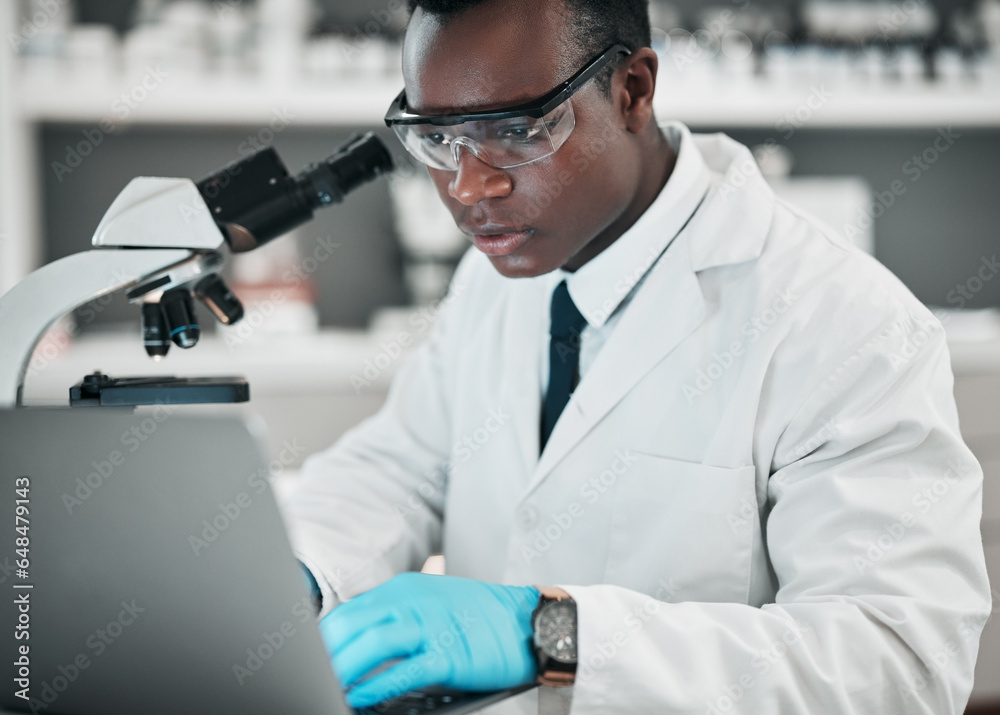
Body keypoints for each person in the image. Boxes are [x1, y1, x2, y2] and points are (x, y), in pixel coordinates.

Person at [280, 0, 993, 711]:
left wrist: (551, 635)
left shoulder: (843, 324)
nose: (469, 187)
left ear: (633, 92)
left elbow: (899, 667)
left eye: (517, 131)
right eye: (436, 138)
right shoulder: (496, 275)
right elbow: (399, 469)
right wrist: (299, 575)